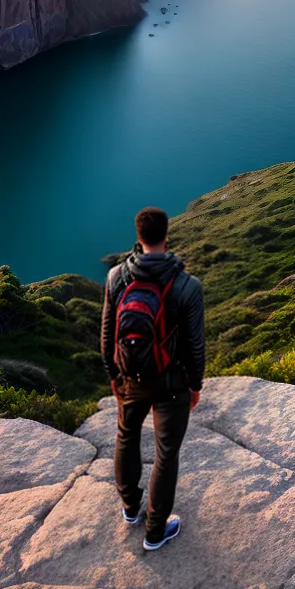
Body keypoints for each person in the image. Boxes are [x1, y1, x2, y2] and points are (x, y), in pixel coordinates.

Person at [101, 206, 205, 551]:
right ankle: (155, 530)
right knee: (166, 454)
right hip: (171, 383)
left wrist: (114, 374)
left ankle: (131, 508)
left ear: (138, 236)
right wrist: (195, 385)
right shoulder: (187, 286)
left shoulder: (116, 277)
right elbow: (194, 344)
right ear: (166, 235)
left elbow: (107, 333)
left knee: (126, 436)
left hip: (130, 377)